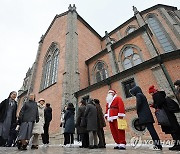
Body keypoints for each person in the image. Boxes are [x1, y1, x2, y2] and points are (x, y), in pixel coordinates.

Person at [130, 86, 162, 150]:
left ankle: (158, 145)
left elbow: (139, 104)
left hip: (145, 116)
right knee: (152, 130)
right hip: (147, 115)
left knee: (151, 131)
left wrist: (137, 110)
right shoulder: (142, 95)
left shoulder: (138, 95)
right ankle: (157, 144)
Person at [149, 85, 180, 151]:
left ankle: (178, 145)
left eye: (151, 93)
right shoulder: (161, 95)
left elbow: (159, 104)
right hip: (169, 115)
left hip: (166, 116)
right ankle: (177, 144)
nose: (151, 94)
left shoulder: (156, 95)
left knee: (173, 131)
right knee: (175, 130)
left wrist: (154, 105)